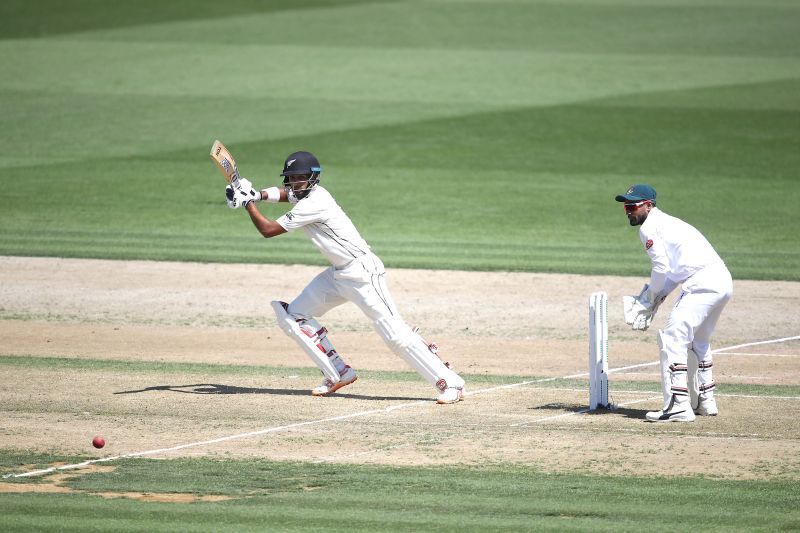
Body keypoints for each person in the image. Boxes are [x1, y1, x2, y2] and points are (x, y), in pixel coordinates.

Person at [224, 151, 465, 404]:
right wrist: (257, 194)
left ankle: (451, 383)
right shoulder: (304, 193)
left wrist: (247, 203)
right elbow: (287, 194)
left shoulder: (315, 201)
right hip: (339, 274)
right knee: (293, 315)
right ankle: (339, 372)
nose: (295, 183)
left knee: (395, 336)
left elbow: (268, 230)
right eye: (291, 178)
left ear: (313, 178)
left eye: (300, 177)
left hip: (362, 273)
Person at [616, 184, 732, 422]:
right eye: (626, 206)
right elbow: (673, 273)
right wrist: (657, 296)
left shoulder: (649, 228)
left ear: (649, 205)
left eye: (633, 206)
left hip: (701, 283)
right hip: (721, 280)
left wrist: (650, 297)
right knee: (699, 339)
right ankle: (705, 401)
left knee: (672, 337)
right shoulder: (669, 223)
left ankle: (678, 405)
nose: (628, 211)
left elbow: (661, 268)